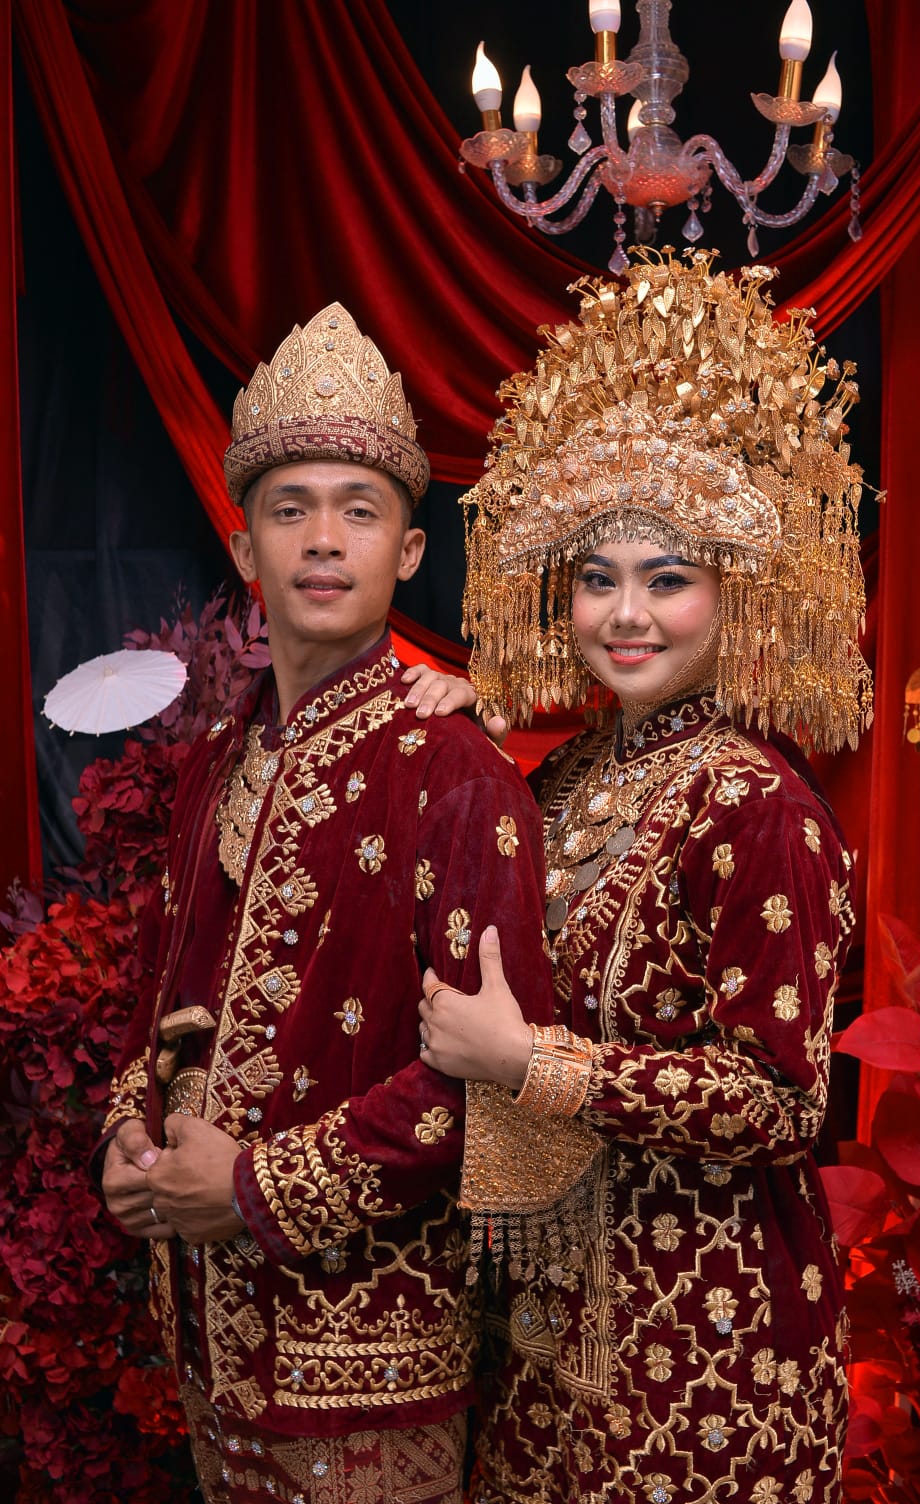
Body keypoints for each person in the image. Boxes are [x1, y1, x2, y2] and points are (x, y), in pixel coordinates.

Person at [415, 249, 871, 1504]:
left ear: (732, 593)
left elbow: (780, 1100)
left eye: (665, 579)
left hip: (710, 1340)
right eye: (597, 578)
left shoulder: (759, 807)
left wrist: (532, 1063)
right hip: (550, 1318)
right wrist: (464, 746)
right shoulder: (561, 777)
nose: (625, 614)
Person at [97, 300, 554, 1504]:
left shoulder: (457, 771)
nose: (322, 540)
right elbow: (161, 1008)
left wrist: (251, 1187)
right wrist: (126, 1142)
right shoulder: (214, 764)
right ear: (242, 545)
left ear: (408, 551)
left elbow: (495, 1087)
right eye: (289, 508)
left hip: (369, 1361)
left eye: (359, 511)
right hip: (206, 1336)